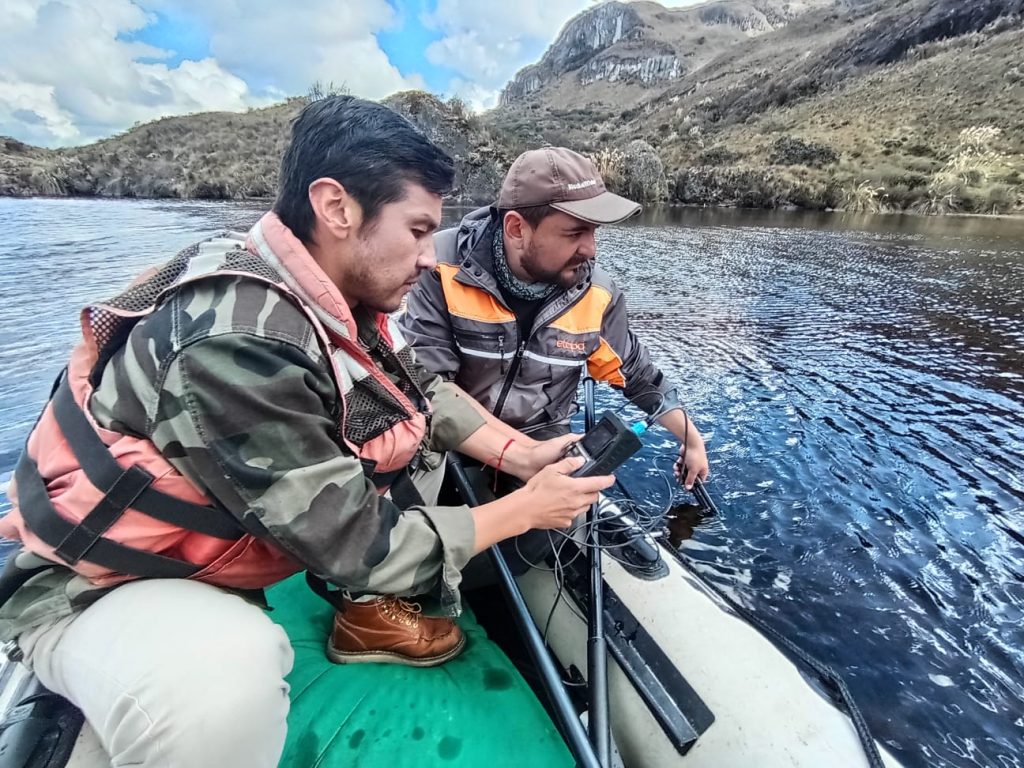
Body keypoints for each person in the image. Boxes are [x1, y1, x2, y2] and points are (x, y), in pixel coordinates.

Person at [0, 98, 613, 768]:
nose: (425, 257)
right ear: (337, 207)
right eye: (415, 230)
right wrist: (523, 510)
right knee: (228, 676)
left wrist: (519, 453)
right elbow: (359, 547)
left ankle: (363, 618)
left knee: (401, 440)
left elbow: (416, 393)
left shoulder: (323, 295)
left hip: (205, 550)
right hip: (99, 588)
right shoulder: (235, 340)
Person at [400, 146, 710, 505]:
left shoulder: (598, 294)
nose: (590, 249)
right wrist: (521, 457)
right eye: (574, 232)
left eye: (593, 232)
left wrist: (691, 439)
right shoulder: (438, 264)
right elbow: (428, 385)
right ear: (516, 228)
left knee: (563, 532)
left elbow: (639, 376)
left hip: (543, 439)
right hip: (449, 434)